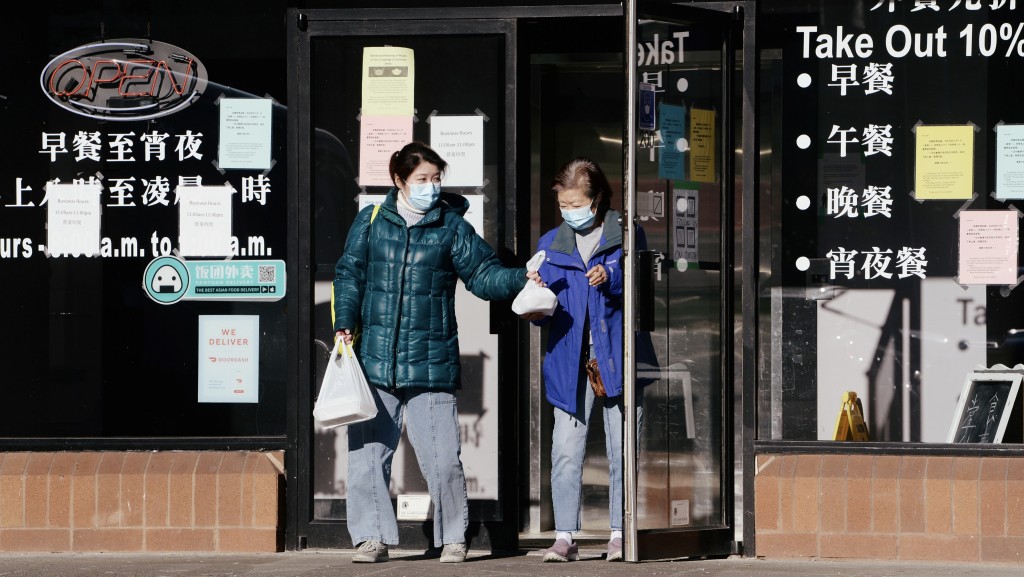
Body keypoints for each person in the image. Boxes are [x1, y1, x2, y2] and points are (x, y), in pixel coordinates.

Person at [332, 141, 541, 564]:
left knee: (444, 458)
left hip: (430, 359)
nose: (431, 187)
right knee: (367, 458)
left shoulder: (450, 226)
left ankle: (453, 538)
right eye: (422, 180)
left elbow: (483, 275)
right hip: (373, 358)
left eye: (436, 179)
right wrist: (345, 323)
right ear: (398, 181)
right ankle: (371, 538)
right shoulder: (370, 221)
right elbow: (348, 274)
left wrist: (522, 278)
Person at [521, 157, 651, 563]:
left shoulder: (627, 237)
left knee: (621, 447)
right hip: (570, 358)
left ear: (597, 201)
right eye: (563, 204)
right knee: (565, 448)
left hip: (616, 356)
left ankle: (618, 532)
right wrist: (537, 296)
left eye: (576, 204)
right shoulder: (550, 245)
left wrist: (611, 278)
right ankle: (564, 536)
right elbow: (547, 314)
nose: (569, 212)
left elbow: (643, 292)